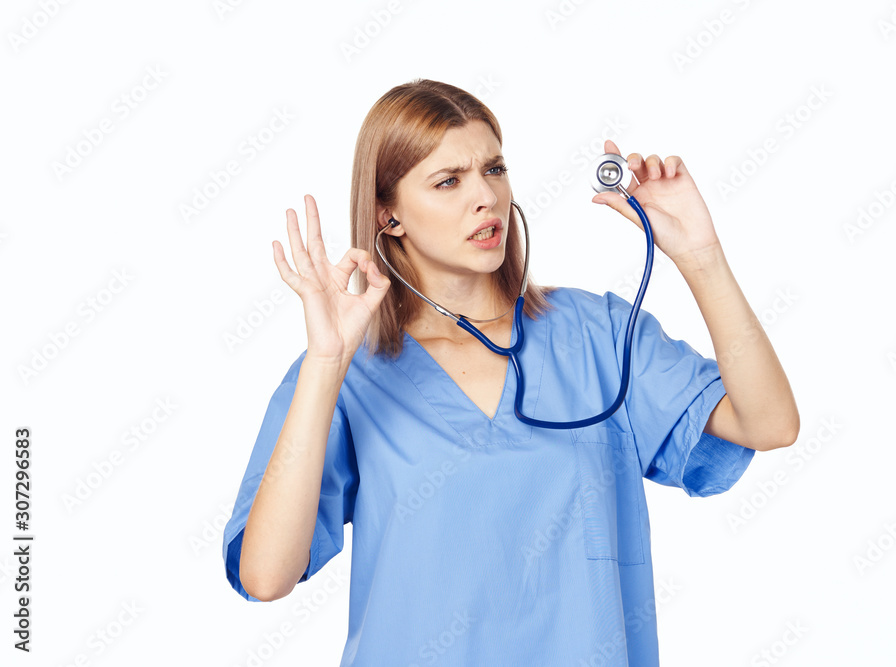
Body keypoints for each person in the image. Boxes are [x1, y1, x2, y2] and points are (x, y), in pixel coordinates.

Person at [222, 78, 799, 665]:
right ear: (388, 215)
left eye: (494, 170)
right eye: (448, 181)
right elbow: (266, 576)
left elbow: (770, 424)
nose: (486, 197)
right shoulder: (347, 373)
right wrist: (326, 362)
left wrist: (701, 256)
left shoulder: (596, 334)